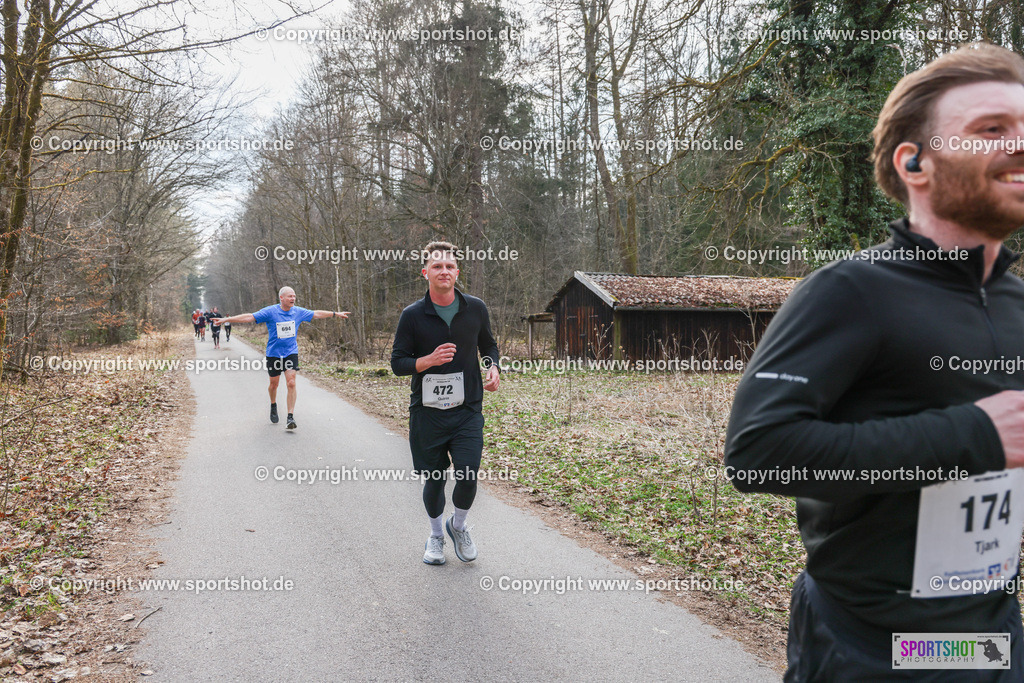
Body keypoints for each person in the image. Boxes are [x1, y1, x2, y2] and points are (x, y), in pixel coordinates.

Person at [724, 43, 1024, 680]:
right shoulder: (850, 291)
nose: (1019, 144)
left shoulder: (1017, 304)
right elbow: (758, 453)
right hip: (874, 642)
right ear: (913, 162)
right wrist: (973, 435)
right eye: (991, 130)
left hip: (994, 632)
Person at [391, 241, 500, 565]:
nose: (444, 271)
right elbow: (398, 363)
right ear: (425, 273)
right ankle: (436, 535)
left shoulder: (475, 308)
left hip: (467, 410)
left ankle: (459, 526)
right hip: (428, 413)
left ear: (457, 272)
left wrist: (492, 367)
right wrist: (428, 360)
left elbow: (489, 346)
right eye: (437, 266)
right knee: (435, 479)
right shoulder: (412, 315)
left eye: (449, 266)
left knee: (468, 473)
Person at [213, 287, 350, 429]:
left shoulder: (298, 312)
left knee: (291, 382)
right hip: (274, 353)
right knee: (274, 384)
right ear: (281, 298)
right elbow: (249, 317)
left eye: (294, 296)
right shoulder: (270, 311)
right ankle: (273, 404)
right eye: (290, 296)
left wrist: (335, 314)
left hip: (290, 352)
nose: (293, 299)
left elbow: (316, 314)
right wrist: (227, 319)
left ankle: (290, 417)